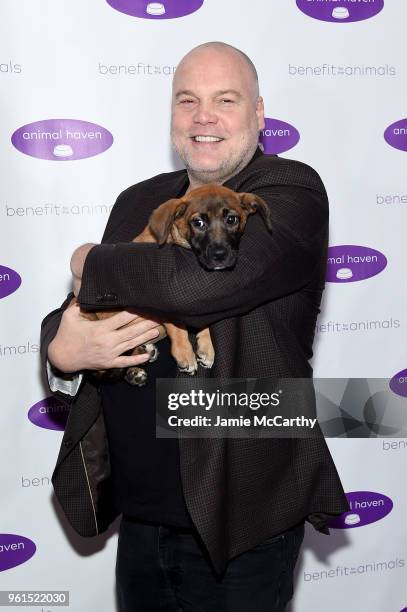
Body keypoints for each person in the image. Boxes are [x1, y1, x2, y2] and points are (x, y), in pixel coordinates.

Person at [41, 41, 349, 611]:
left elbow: (193, 284)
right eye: (188, 101)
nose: (203, 116)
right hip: (141, 514)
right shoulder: (139, 200)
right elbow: (81, 309)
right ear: (173, 115)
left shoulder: (288, 192)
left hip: (244, 517)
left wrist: (88, 257)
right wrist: (61, 350)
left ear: (258, 114)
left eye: (225, 100)